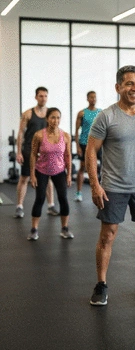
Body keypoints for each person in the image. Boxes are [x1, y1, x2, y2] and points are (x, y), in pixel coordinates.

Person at [86, 65, 135, 306]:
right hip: (113, 186)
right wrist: (95, 184)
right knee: (107, 236)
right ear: (118, 87)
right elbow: (91, 150)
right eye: (129, 83)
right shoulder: (106, 116)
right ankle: (101, 284)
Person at [28, 108, 73, 241]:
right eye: (53, 117)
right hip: (41, 170)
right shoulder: (39, 135)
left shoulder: (65, 136)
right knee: (40, 198)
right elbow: (33, 154)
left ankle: (64, 228)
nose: (55, 120)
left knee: (63, 198)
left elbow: (68, 155)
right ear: (47, 119)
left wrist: (69, 174)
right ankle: (34, 229)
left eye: (58, 117)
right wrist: (32, 174)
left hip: (59, 171)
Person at [15, 87, 59, 218]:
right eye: (41, 96)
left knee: (48, 179)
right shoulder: (28, 113)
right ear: (36, 97)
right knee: (24, 178)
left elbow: (54, 132)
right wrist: (19, 152)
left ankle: (51, 206)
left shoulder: (50, 114)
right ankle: (19, 207)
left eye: (45, 96)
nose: (43, 98)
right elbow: (21, 133)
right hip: (29, 149)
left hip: (45, 150)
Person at [74, 90, 102, 202]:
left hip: (98, 143)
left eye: (95, 97)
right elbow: (76, 131)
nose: (93, 99)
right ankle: (78, 193)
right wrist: (77, 147)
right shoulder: (82, 113)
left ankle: (100, 190)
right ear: (87, 98)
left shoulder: (100, 112)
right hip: (84, 143)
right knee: (82, 167)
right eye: (91, 97)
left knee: (101, 168)